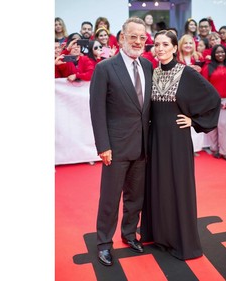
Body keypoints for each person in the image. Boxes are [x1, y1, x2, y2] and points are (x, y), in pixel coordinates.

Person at [140, 30, 221, 260]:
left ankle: (181, 241)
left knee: (178, 187)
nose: (161, 48)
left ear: (175, 48)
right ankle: (160, 236)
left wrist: (194, 121)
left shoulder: (186, 73)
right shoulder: (151, 73)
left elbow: (213, 98)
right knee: (158, 185)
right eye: (157, 44)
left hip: (177, 140)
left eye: (166, 44)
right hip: (155, 139)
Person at [89, 17, 153, 267]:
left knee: (135, 197)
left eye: (142, 37)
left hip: (142, 146)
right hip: (114, 148)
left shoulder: (148, 66)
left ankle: (129, 234)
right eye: (133, 36)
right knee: (110, 198)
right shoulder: (105, 68)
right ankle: (104, 243)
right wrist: (103, 145)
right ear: (122, 38)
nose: (138, 41)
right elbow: (97, 110)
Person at [201, 44, 226, 161]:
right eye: (217, 52)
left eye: (222, 52)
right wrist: (211, 101)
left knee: (223, 125)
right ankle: (214, 149)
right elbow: (205, 85)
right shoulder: (208, 67)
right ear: (213, 54)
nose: (220, 54)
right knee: (213, 126)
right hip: (212, 101)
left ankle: (224, 152)